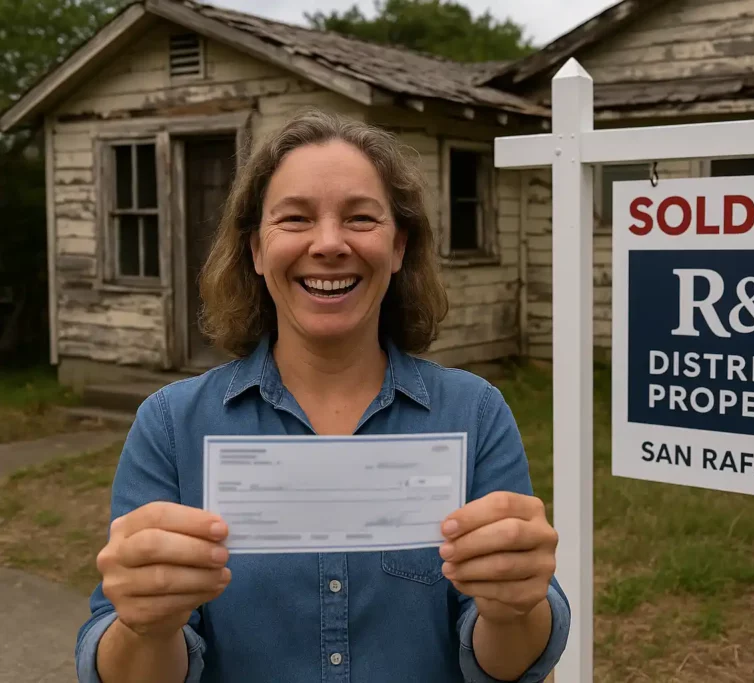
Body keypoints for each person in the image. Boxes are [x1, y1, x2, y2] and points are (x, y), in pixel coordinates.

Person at [75, 109, 570, 682]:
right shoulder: (170, 425)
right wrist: (146, 626)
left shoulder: (475, 414)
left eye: (361, 217)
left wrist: (514, 608)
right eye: (295, 218)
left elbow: (512, 668)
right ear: (258, 251)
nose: (329, 243)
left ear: (399, 246)